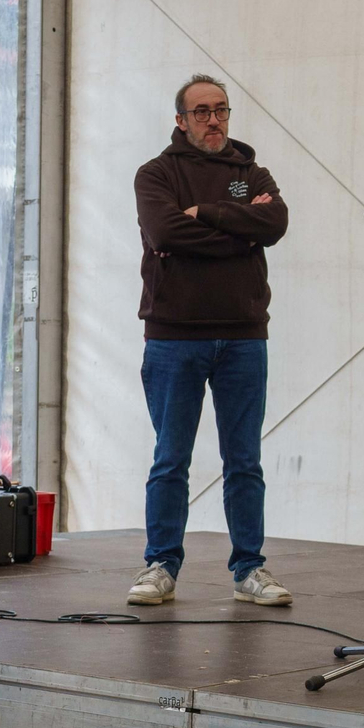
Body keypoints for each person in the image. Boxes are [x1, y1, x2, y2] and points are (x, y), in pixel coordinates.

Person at [128, 73, 292, 607]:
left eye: (220, 109)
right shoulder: (157, 175)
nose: (214, 119)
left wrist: (214, 215)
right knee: (170, 458)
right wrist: (239, 235)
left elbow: (275, 222)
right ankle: (160, 565)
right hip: (174, 338)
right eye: (201, 111)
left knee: (244, 460)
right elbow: (166, 233)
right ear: (181, 120)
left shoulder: (249, 172)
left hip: (244, 338)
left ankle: (250, 568)